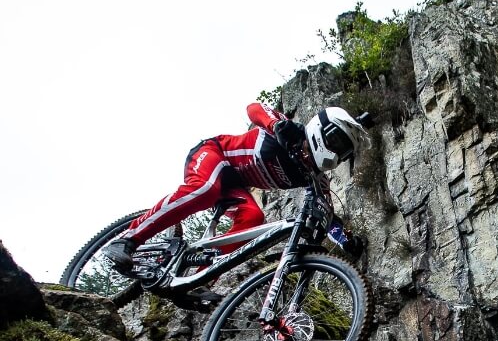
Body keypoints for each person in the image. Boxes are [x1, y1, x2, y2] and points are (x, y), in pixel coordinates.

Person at [104, 102, 371, 272]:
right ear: (320, 129)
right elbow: (254, 109)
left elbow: (325, 216)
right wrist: (275, 124)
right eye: (336, 142)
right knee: (206, 189)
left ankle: (201, 278)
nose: (336, 153)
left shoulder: (311, 176)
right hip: (214, 154)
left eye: (344, 151)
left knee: (254, 219)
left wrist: (345, 241)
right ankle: (128, 239)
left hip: (235, 186)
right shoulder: (290, 131)